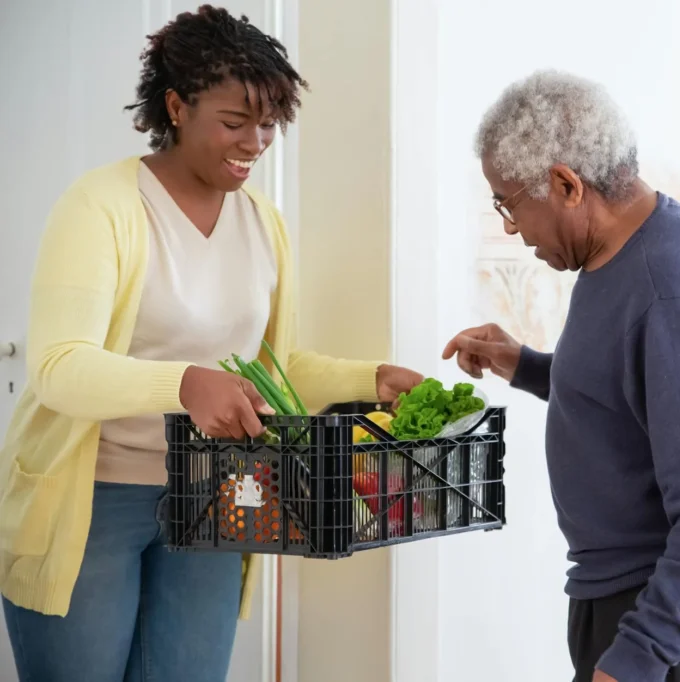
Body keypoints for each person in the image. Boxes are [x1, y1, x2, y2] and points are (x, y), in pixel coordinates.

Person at [0, 6, 422, 681]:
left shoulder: (263, 224)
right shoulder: (101, 206)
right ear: (176, 106)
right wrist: (184, 383)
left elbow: (265, 371)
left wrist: (368, 378)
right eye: (234, 122)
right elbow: (59, 367)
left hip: (216, 491)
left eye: (269, 124)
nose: (255, 142)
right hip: (92, 497)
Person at [443, 70, 680, 682]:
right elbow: (634, 395)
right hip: (641, 587)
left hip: (673, 598)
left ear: (566, 184)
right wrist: (523, 364)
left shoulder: (666, 288)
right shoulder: (622, 256)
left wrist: (641, 653)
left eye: (509, 202)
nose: (509, 226)